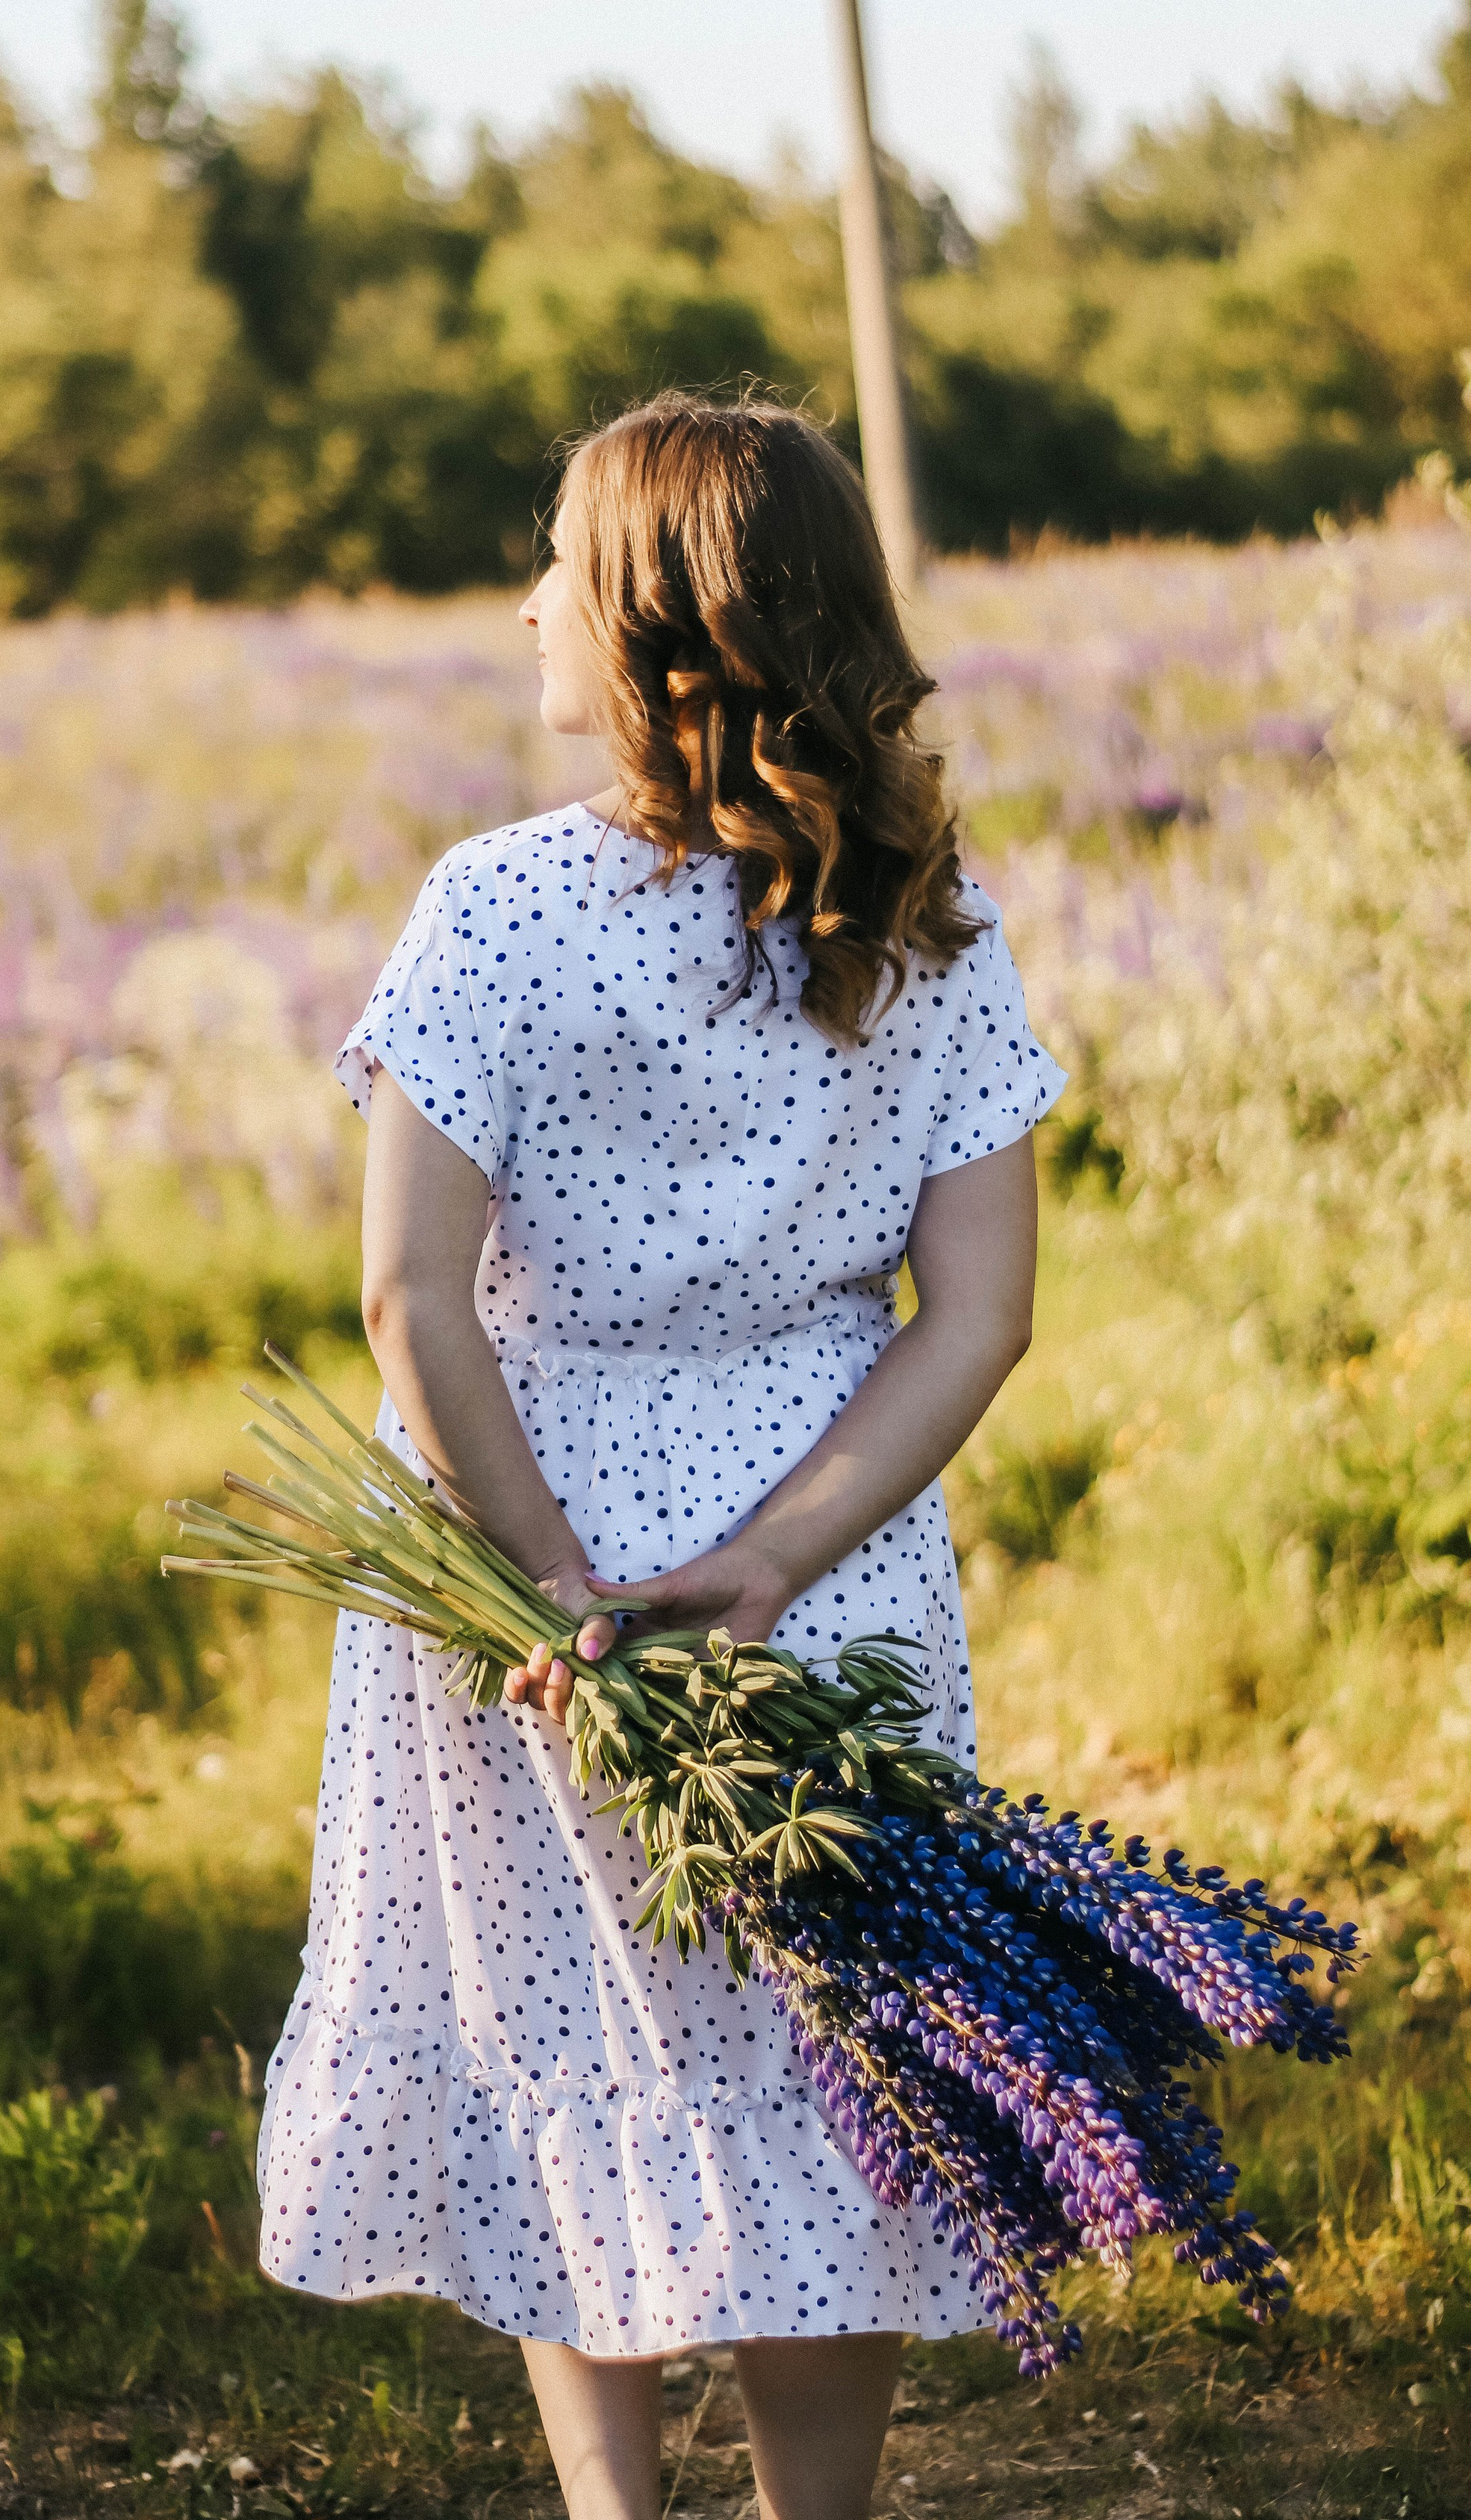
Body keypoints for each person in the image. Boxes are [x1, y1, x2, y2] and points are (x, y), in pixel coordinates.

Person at [255, 396, 1066, 2520]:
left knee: (568, 2033)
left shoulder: (495, 907)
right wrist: (781, 1558)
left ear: (654, 631)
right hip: (830, 1548)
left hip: (525, 1534)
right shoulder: (927, 913)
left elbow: (410, 1297)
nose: (527, 602)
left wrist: (542, 1579)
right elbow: (977, 1310)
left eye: (557, 565)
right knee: (830, 2063)